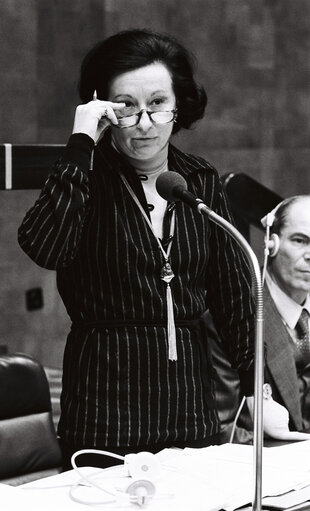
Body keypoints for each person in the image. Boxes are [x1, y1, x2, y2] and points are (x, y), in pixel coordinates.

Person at [18, 29, 258, 470]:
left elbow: (235, 299)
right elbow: (44, 247)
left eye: (157, 105)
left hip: (190, 413)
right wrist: (81, 144)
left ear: (178, 106)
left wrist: (256, 387)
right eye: (127, 107)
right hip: (104, 416)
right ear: (104, 109)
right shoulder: (83, 175)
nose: (144, 123)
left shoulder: (199, 179)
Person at [209, 195, 310, 443]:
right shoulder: (233, 314)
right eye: (300, 241)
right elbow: (224, 429)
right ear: (271, 244)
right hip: (263, 467)